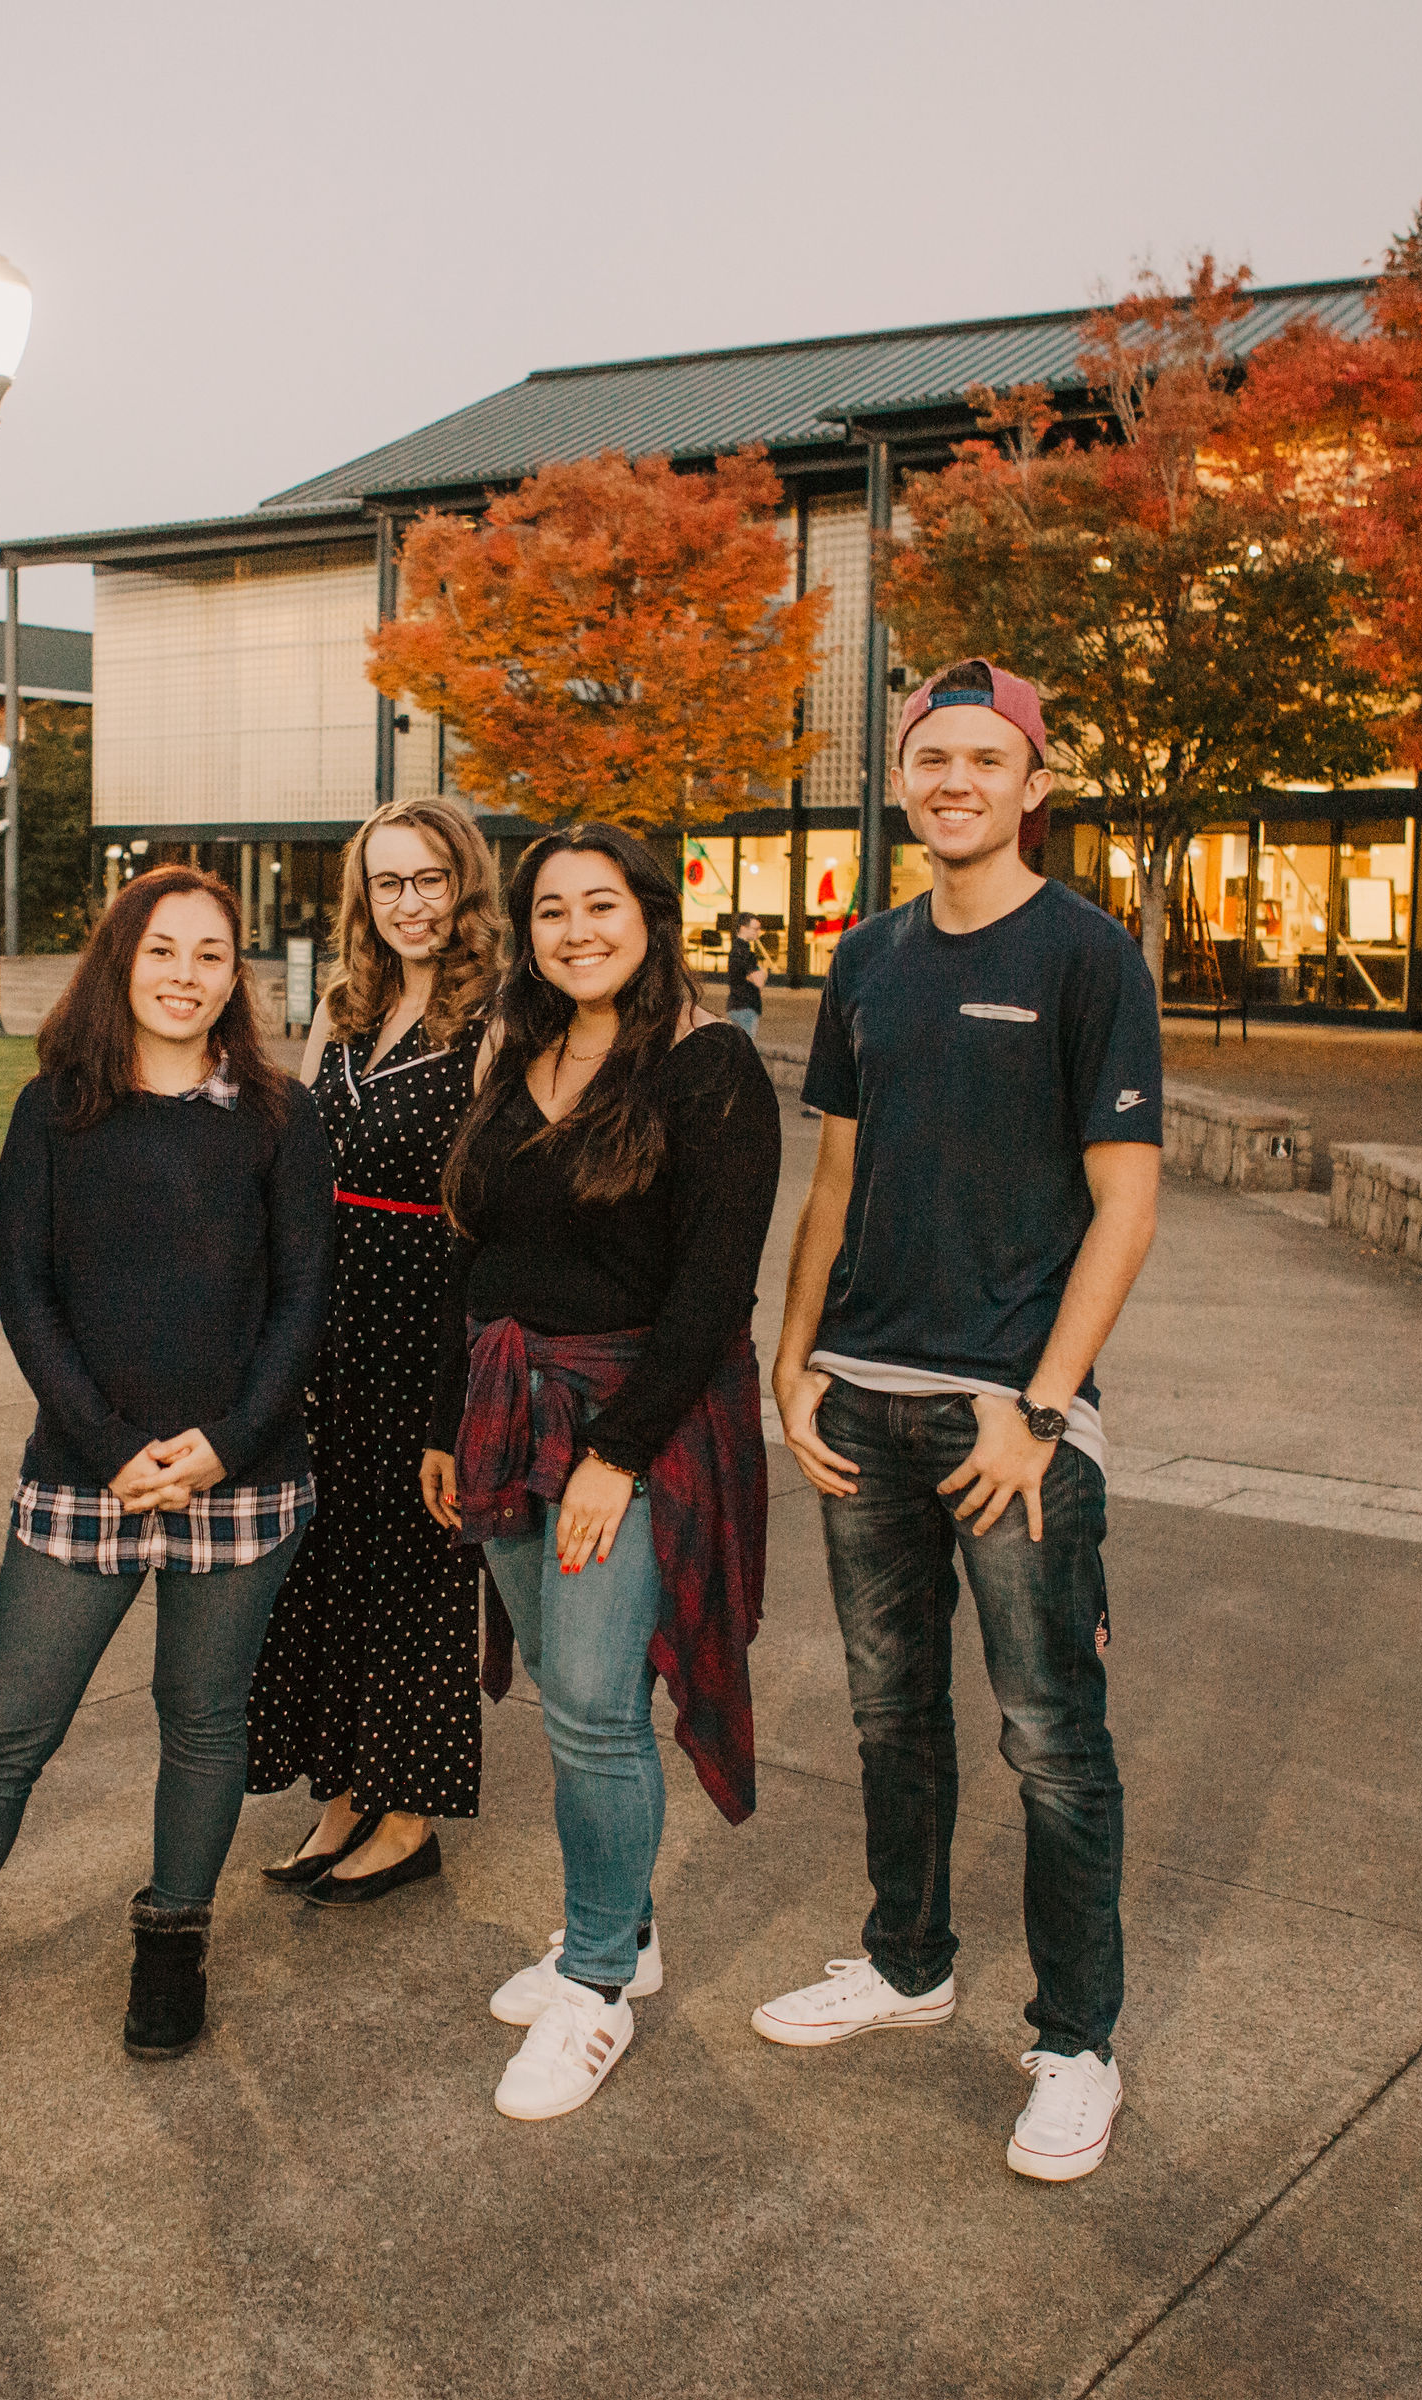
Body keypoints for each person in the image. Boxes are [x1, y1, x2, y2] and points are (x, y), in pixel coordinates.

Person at [0, 865, 332, 2104]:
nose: (187, 975)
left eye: (211, 953)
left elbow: (305, 1299)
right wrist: (107, 1446)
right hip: (85, 1477)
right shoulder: (55, 1111)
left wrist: (226, 1444)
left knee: (201, 1725)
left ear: (234, 974)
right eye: (162, 951)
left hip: (238, 1480)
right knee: (1, 1737)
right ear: (120, 963)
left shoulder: (279, 1117)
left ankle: (171, 1943)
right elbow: (25, 1296)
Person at [751, 659, 1162, 2184]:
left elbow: (1128, 1201)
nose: (956, 781)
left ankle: (1075, 2044)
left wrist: (1041, 1412)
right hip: (864, 1402)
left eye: (986, 759)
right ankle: (907, 1960)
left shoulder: (1087, 957)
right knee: (888, 1716)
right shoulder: (864, 961)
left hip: (1011, 1424)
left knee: (1052, 1739)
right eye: (932, 758)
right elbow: (838, 1184)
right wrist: (789, 1365)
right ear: (906, 778)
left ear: (1033, 784)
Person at [423, 825, 779, 2122]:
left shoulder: (710, 1067)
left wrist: (616, 1457)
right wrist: (439, 1423)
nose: (578, 930)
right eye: (552, 912)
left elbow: (714, 1291)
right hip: (504, 1408)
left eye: (602, 905)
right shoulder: (516, 1053)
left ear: (650, 912)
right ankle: (622, 1932)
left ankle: (595, 1988)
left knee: (586, 1698)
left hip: (635, 1411)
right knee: (583, 1709)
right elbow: (476, 1251)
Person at [248, 796, 505, 1908]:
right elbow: (296, 1148)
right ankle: (341, 1795)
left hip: (428, 1308)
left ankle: (407, 1813)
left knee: (417, 1566)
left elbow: (492, 1200)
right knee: (327, 1557)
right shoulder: (344, 1008)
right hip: (330, 1311)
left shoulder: (497, 1015)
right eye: (389, 883)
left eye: (431, 880)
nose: (412, 904)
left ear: (467, 888)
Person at [720, 914, 765, 1038]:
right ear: (743, 928)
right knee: (747, 1049)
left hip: (735, 1005)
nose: (758, 932)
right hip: (746, 1006)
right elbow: (758, 982)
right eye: (755, 929)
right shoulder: (745, 953)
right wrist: (763, 971)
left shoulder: (735, 950)